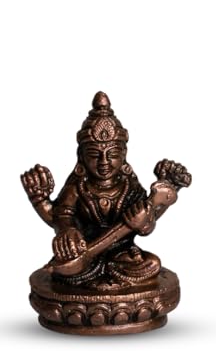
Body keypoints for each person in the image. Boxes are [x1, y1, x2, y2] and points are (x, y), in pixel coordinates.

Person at [50, 91, 161, 288]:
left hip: (122, 253)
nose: (104, 162)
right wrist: (68, 230)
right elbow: (62, 213)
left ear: (124, 154)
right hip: (85, 251)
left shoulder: (129, 187)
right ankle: (100, 282)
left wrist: (144, 224)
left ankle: (105, 282)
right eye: (94, 154)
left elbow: (146, 222)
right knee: (66, 270)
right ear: (81, 156)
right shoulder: (78, 186)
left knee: (152, 264)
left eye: (112, 154)